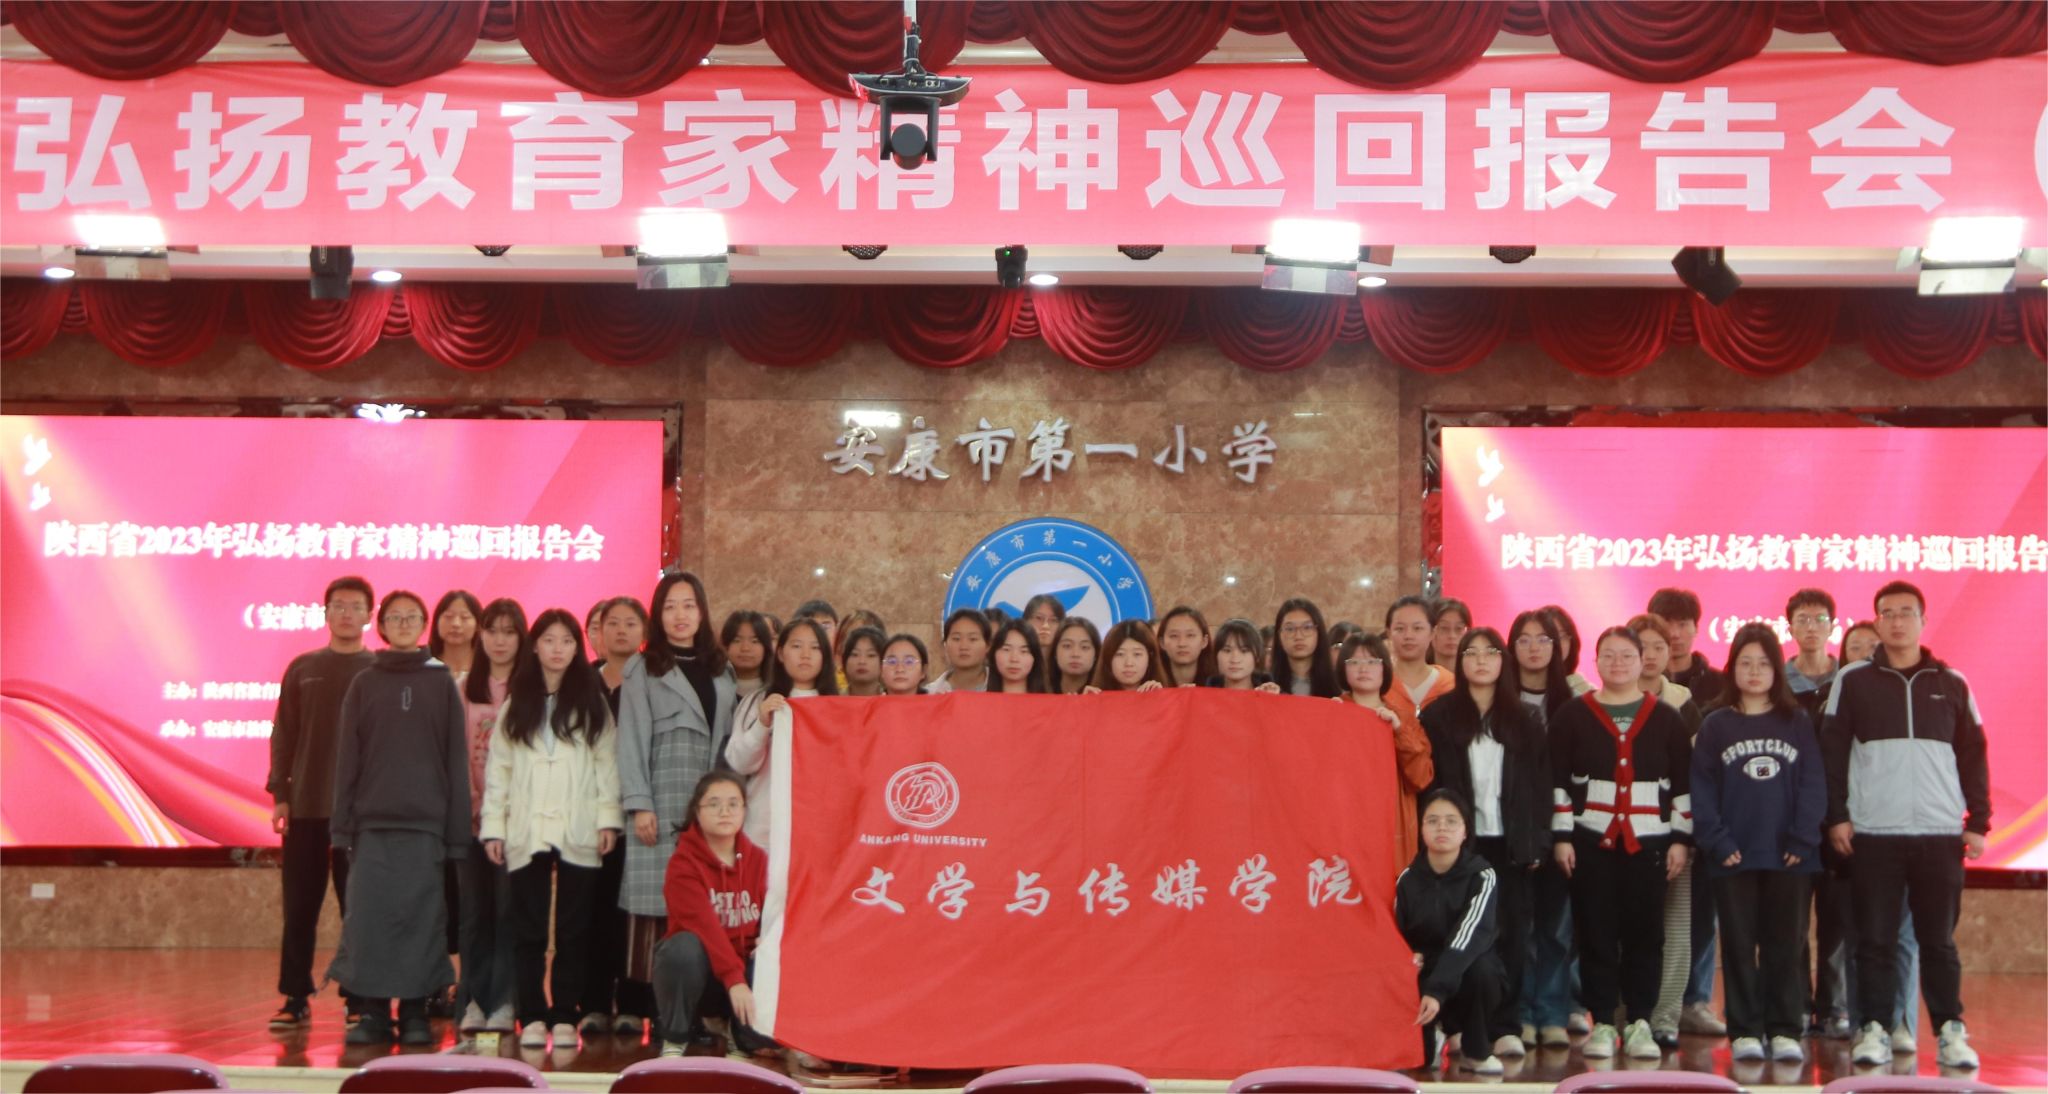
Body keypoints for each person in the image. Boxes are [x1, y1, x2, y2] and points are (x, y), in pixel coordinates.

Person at [1823, 581, 1986, 1070]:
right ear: (1876, 622)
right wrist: (1837, 816)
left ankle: (1950, 1031)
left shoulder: (1952, 682)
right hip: (1875, 833)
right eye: (1887, 613)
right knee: (1874, 941)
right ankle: (1873, 1028)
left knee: (1939, 942)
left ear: (1922, 620)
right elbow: (1833, 752)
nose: (1897, 621)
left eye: (1906, 613)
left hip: (1940, 834)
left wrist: (1978, 821)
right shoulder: (1853, 681)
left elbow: (1973, 754)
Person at [328, 590, 470, 1046]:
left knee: (422, 920)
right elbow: (348, 759)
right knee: (368, 919)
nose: (404, 623)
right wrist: (341, 825)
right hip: (372, 827)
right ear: (382, 627)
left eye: (412, 616)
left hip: (426, 827)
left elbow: (455, 759)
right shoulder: (364, 683)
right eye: (395, 617)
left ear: (424, 625)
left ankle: (413, 1012)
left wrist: (457, 832)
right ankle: (372, 1011)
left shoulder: (440, 682)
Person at [481, 609, 624, 1050]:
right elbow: (499, 770)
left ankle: (565, 1013)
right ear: (535, 647)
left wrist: (607, 819)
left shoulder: (591, 701)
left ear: (577, 647)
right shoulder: (517, 703)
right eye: (549, 640)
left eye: (566, 641)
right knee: (528, 929)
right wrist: (494, 827)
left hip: (578, 823)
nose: (557, 649)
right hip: (527, 826)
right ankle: (532, 1015)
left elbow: (607, 764)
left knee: (573, 929)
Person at [1550, 627, 1693, 1062]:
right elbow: (1557, 780)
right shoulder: (1573, 715)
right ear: (1595, 662)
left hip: (1650, 844)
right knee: (1595, 932)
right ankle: (1603, 1022)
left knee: (1645, 935)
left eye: (1627, 655)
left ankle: (1640, 1021)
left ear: (1642, 660)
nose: (1617, 663)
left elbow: (1683, 785)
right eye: (1608, 655)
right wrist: (1562, 837)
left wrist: (1680, 840)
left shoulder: (1667, 717)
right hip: (1589, 842)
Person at [1691, 623, 1825, 1065]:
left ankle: (1784, 1028)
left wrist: (1803, 837)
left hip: (1790, 856)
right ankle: (1745, 1030)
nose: (1753, 671)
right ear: (1732, 669)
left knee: (1785, 946)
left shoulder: (1796, 721)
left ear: (1776, 671)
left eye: (1763, 663)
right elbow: (1702, 789)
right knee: (1738, 944)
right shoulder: (1716, 725)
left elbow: (1812, 783)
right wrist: (1717, 841)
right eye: (1745, 663)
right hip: (1733, 855)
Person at [617, 571, 736, 1043]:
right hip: (661, 800)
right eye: (669, 606)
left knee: (703, 909)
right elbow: (630, 740)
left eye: (688, 605)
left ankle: (695, 1012)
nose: (680, 615)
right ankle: (650, 1011)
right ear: (657, 615)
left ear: (702, 612)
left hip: (710, 808)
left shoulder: (720, 669)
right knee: (655, 910)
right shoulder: (643, 668)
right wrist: (639, 803)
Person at [1421, 628, 1551, 1059]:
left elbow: (1540, 786)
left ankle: (1505, 1025)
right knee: (1459, 936)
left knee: (1512, 937)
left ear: (1503, 661)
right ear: (1459, 662)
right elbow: (1430, 785)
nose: (1480, 660)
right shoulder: (1439, 717)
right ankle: (1459, 1025)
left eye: (1490, 652)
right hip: (1462, 846)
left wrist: (1537, 842)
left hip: (1510, 845)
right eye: (1471, 653)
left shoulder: (1525, 719)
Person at [266, 576, 377, 1031]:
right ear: (326, 613)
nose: (347, 614)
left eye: (356, 606)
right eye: (338, 606)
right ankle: (295, 995)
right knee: (299, 907)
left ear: (370, 615)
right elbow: (284, 734)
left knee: (360, 909)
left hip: (360, 814)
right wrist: (281, 794)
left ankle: (359, 996)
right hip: (307, 807)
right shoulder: (303, 667)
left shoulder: (380, 669)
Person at [1629, 612, 1716, 1046]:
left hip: (1675, 834)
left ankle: (1667, 1015)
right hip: (1622, 834)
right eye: (1641, 647)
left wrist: (1686, 835)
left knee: (1677, 928)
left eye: (1658, 647)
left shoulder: (1684, 704)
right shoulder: (1605, 701)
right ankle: (1626, 1015)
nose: (1650, 656)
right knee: (1630, 929)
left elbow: (1697, 773)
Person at [653, 772, 769, 1059]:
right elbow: (706, 929)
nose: (724, 812)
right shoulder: (683, 865)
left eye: (733, 804)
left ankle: (743, 1038)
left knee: (774, 950)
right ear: (697, 811)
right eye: (714, 804)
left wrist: (767, 941)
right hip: (706, 978)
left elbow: (774, 916)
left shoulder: (759, 860)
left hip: (742, 975)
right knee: (682, 948)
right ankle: (675, 1038)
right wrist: (734, 979)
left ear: (744, 810)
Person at [1397, 789, 1511, 1076]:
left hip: (1465, 964)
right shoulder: (1407, 880)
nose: (1442, 828)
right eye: (1432, 821)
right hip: (1424, 967)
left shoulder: (1482, 875)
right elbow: (1396, 936)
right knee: (1421, 1064)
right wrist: (1407, 959)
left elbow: (1467, 937)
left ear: (1465, 831)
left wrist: (1436, 990)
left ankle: (1476, 1050)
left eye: (1451, 821)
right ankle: (1429, 1038)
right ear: (1421, 828)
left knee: (1483, 970)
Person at [454, 598, 526, 1036]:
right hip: (471, 822)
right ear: (480, 635)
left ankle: (504, 1002)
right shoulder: (463, 688)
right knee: (474, 915)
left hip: (517, 824)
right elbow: (455, 754)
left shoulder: (531, 689)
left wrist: (504, 811)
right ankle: (473, 1001)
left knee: (508, 914)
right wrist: (475, 805)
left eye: (509, 631)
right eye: (492, 630)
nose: (500, 640)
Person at [1506, 609, 1577, 1046]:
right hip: (1512, 830)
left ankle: (1552, 1013)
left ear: (1558, 648)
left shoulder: (1571, 706)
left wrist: (1562, 832)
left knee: (1555, 928)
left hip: (1562, 830)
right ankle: (1519, 1014)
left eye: (1543, 639)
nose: (1534, 648)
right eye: (1524, 639)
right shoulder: (1500, 702)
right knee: (1518, 929)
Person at [727, 619, 837, 848]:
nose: (805, 654)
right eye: (796, 646)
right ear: (780, 653)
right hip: (764, 830)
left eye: (815, 647)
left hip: (819, 832)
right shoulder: (758, 701)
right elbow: (739, 762)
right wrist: (762, 724)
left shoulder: (837, 709)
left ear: (825, 656)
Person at [1336, 632, 1434, 870]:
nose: (1363, 668)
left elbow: (1421, 778)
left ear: (1385, 668)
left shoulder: (1403, 717)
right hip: (1345, 822)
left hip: (1391, 822)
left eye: (1372, 661)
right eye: (1354, 661)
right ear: (1343, 669)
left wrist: (1398, 731)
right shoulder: (1332, 711)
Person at [1649, 587, 1728, 710]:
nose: (1675, 634)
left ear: (1696, 628)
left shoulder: (1721, 683)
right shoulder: (1641, 681)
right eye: (1667, 624)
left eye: (1682, 624)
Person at [1385, 596, 1455, 719]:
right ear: (1389, 633)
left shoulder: (1450, 684)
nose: (1408, 636)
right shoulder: (1379, 684)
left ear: (1432, 633)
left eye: (1417, 628)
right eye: (1400, 629)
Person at [1783, 588, 1840, 713]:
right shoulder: (1779, 679)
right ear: (1791, 630)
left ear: (1831, 627)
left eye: (1820, 619)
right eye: (1802, 620)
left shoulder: (1845, 675)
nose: (1811, 628)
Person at [1272, 598, 1340, 698]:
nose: (1298, 636)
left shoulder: (1339, 684)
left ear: (1319, 632)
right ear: (1279, 635)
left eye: (1307, 627)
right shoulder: (1267, 685)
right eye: (1290, 629)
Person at [593, 597, 649, 713]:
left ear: (645, 633)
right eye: (613, 623)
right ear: (601, 631)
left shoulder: (654, 679)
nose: (621, 630)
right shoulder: (586, 680)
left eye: (630, 624)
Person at [1086, 620, 1168, 692]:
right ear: (1108, 658)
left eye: (1137, 654)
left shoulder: (1167, 696)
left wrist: (1160, 697)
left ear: (1150, 657)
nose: (1129, 663)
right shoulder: (1094, 696)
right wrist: (1085, 701)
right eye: (1120, 654)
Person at [1205, 618, 1280, 692]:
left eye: (1244, 651)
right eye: (1227, 650)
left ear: (1257, 655)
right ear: (1216, 655)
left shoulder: (1275, 694)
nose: (1235, 660)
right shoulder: (1202, 696)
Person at [927, 609, 991, 694]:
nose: (964, 647)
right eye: (956, 639)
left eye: (973, 639)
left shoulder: (1003, 688)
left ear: (988, 646)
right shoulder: (930, 693)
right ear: (945, 645)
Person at [1157, 606, 1217, 688]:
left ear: (1204, 641)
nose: (1182, 643)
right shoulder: (1153, 684)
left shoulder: (1217, 684)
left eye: (1190, 635)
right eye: (1174, 636)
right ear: (1162, 642)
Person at [1540, 605, 1594, 697]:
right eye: (1547, 637)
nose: (1556, 643)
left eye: (1561, 636)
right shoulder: (1515, 688)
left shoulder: (1586, 693)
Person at [986, 619, 1050, 694]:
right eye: (1006, 649)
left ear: (1035, 657)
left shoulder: (1051, 700)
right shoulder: (978, 699)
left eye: (1024, 651)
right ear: (994, 654)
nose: (1014, 659)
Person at [431, 590, 484, 681]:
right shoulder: (424, 665)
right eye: (448, 616)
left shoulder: (488, 666)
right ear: (436, 622)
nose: (456, 624)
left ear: (478, 625)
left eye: (465, 617)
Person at [720, 610, 772, 701]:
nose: (745, 648)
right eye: (737, 640)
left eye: (754, 641)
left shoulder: (779, 689)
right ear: (725, 646)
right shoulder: (714, 687)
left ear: (766, 647)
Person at [1050, 617, 1102, 695]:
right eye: (1067, 646)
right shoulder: (1040, 692)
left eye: (1084, 647)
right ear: (1055, 652)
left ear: (1096, 654)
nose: (1075, 654)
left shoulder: (1106, 694)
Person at [840, 626, 887, 696]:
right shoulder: (831, 700)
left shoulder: (893, 701)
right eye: (855, 654)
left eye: (871, 655)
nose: (862, 661)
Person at [1429, 599, 1473, 667]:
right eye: (1444, 628)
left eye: (1459, 628)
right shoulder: (1417, 672)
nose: (1452, 636)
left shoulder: (1475, 672)